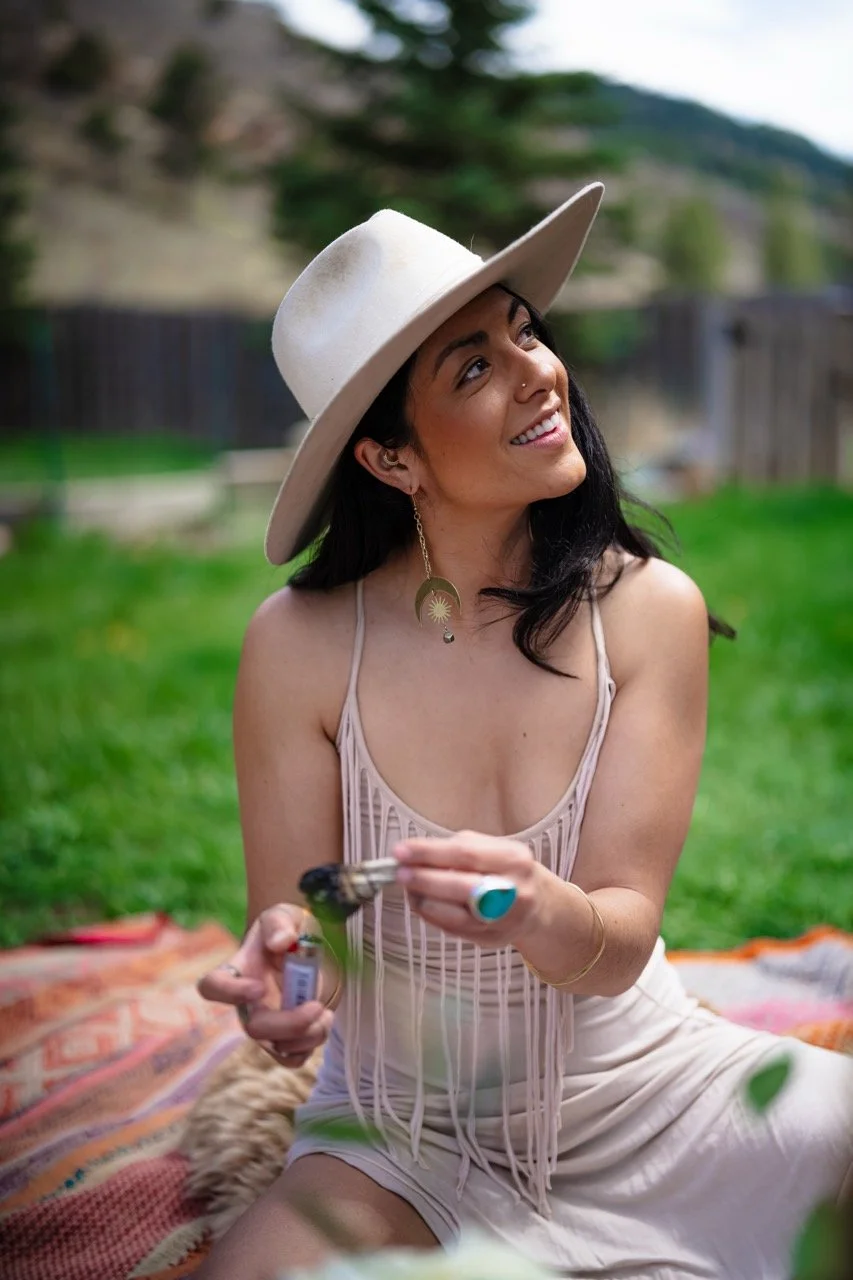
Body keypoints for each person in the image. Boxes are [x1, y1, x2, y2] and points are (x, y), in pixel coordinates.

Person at [196, 184, 852, 1280]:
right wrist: (288, 985)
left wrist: (536, 908)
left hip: (652, 1100)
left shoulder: (647, 610)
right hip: (401, 1141)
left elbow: (621, 937)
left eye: (523, 332)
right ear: (391, 459)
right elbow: (305, 926)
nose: (538, 370)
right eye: (472, 368)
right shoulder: (297, 645)